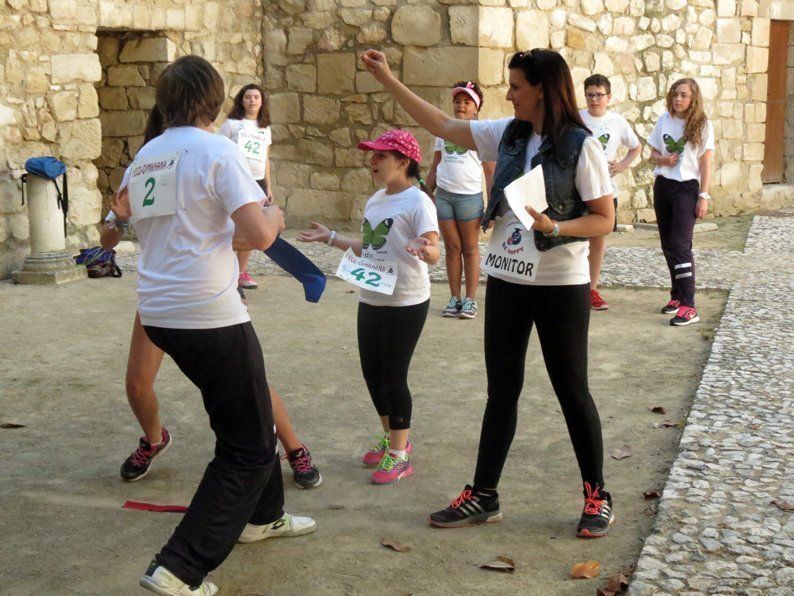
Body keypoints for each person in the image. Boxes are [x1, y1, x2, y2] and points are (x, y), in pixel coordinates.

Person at [361, 48, 616, 537]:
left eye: (516, 85)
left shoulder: (581, 146)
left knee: (571, 390)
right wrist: (388, 78)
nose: (509, 94)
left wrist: (556, 226)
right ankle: (484, 494)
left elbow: (605, 218)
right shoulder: (507, 133)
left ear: (541, 88)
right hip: (506, 279)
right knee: (501, 391)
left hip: (560, 284)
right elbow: (439, 123)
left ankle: (597, 494)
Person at [109, 56, 315, 596]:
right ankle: (180, 566)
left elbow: (125, 227)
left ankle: (264, 517)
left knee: (247, 412)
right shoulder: (218, 151)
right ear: (214, 99)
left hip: (161, 312)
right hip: (208, 312)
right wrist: (276, 216)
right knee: (245, 446)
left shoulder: (147, 157)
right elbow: (260, 234)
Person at [101, 111, 322, 492]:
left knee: (249, 386)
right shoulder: (146, 165)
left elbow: (241, 235)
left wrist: (268, 222)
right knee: (138, 384)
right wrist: (119, 220)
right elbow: (106, 241)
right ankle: (154, 440)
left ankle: (294, 447)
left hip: (208, 297)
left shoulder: (211, 156)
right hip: (161, 298)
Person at [297, 129, 440, 485]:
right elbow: (371, 247)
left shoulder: (418, 202)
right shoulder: (376, 199)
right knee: (372, 373)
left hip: (406, 300)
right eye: (372, 155)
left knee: (394, 375)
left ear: (403, 161)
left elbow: (435, 252)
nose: (372, 162)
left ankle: (399, 454)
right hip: (371, 296)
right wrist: (331, 237)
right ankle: (391, 436)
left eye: (380, 156)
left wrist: (425, 249)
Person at [647, 78, 714, 326]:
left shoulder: (703, 124)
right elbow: (652, 153)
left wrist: (703, 196)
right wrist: (662, 160)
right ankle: (676, 296)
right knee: (668, 244)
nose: (678, 99)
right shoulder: (665, 119)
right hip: (663, 185)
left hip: (687, 188)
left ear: (693, 98)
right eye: (675, 94)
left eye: (684, 95)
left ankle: (689, 306)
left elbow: (706, 163)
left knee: (681, 245)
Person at [426, 81, 495, 319]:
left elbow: (489, 171)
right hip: (444, 197)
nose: (461, 106)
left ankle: (470, 300)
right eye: (457, 101)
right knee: (452, 248)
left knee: (470, 249)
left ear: (476, 107)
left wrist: (492, 207)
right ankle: (454, 297)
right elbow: (436, 166)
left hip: (469, 199)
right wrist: (425, 193)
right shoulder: (443, 131)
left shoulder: (482, 133)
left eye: (467, 102)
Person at [579, 74, 642, 310]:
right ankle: (573, 288)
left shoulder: (616, 121)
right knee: (574, 240)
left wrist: (623, 165)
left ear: (608, 97)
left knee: (597, 240)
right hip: (578, 188)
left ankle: (591, 290)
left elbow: (635, 147)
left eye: (599, 95)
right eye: (590, 95)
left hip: (605, 189)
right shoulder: (576, 118)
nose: (594, 100)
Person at [218, 84, 273, 291]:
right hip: (236, 180)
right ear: (242, 100)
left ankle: (241, 271)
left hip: (257, 181)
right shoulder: (231, 125)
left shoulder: (265, 129)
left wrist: (268, 186)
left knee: (250, 228)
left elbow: (265, 160)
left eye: (256, 97)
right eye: (248, 97)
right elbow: (219, 150)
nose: (252, 101)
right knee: (233, 227)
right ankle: (228, 272)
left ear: (262, 102)